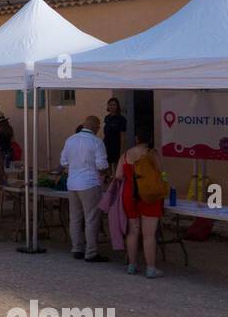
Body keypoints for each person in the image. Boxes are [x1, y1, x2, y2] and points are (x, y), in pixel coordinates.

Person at [60, 115, 110, 262]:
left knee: (75, 218)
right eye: (99, 126)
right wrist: (103, 173)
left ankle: (77, 248)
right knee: (91, 218)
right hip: (89, 183)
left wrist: (75, 168)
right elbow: (102, 165)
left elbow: (63, 161)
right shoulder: (97, 142)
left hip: (72, 183)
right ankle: (91, 252)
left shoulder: (70, 139)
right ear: (95, 127)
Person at [118, 130, 165, 278]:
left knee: (133, 231)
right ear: (150, 139)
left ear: (137, 138)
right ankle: (150, 268)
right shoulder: (152, 153)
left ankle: (132, 265)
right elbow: (161, 172)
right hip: (149, 194)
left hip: (129, 193)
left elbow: (118, 175)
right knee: (148, 234)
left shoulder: (126, 154)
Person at [103, 97, 128, 167]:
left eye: (114, 105)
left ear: (117, 106)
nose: (112, 107)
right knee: (107, 164)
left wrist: (122, 150)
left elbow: (123, 135)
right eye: (110, 105)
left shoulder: (121, 119)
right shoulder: (106, 118)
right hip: (107, 144)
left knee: (116, 164)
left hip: (116, 145)